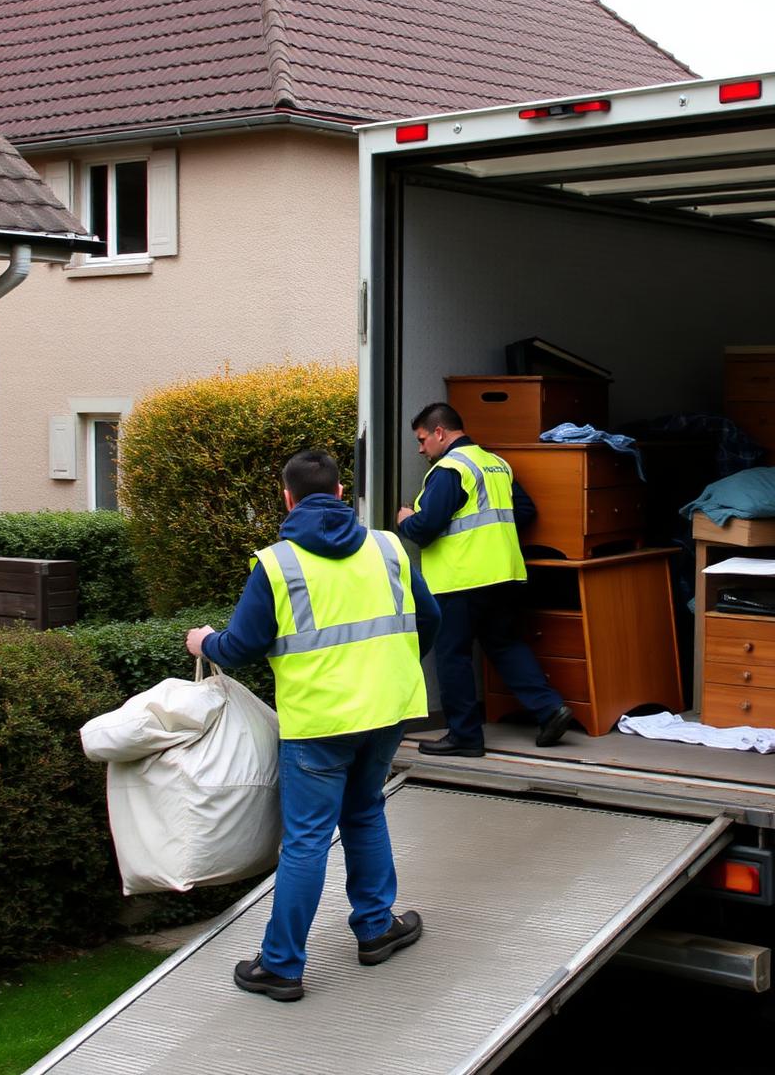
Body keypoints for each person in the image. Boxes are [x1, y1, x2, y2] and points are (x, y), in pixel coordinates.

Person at [185, 449, 439, 1002]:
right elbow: (432, 619)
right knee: (366, 812)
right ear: (343, 494)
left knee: (306, 840)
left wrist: (201, 641)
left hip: (318, 721)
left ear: (287, 497)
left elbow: (243, 646)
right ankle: (375, 929)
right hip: (387, 709)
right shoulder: (389, 546)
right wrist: (391, 671)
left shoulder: (277, 564)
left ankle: (281, 966)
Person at [396, 402, 575, 758]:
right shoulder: (495, 463)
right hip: (504, 574)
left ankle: (465, 736)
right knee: (505, 644)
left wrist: (404, 519)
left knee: (452, 656)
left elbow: (426, 528)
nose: (420, 449)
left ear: (440, 433)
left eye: (421, 439)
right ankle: (549, 709)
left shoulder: (449, 468)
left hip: (462, 579)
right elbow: (523, 511)